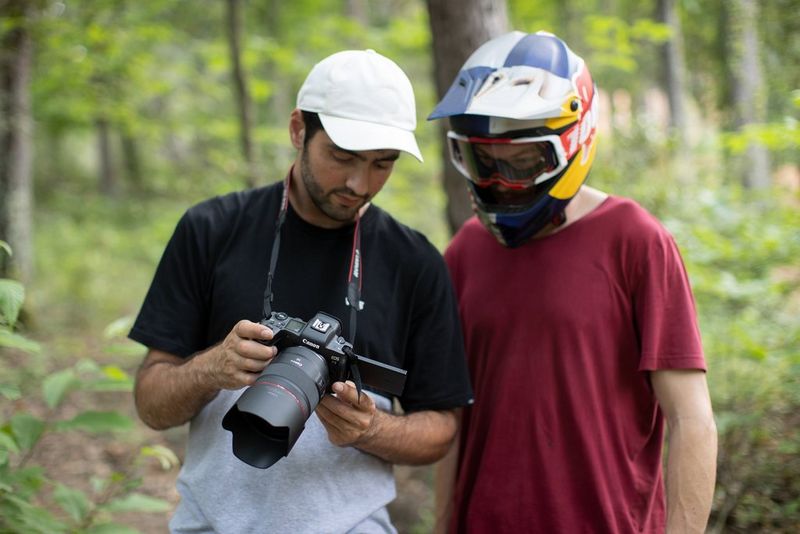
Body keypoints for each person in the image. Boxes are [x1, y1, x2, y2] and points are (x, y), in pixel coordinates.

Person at [130, 49, 473, 533]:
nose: (360, 183)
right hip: (212, 524)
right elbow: (150, 401)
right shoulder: (212, 230)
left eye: (383, 163)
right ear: (298, 129)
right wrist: (213, 367)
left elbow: (441, 428)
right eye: (342, 157)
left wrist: (371, 429)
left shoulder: (414, 262)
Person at [429, 31, 718, 533]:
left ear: (573, 141)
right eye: (484, 160)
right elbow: (455, 422)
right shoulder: (465, 253)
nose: (500, 180)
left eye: (522, 162)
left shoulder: (635, 241)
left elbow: (692, 420)